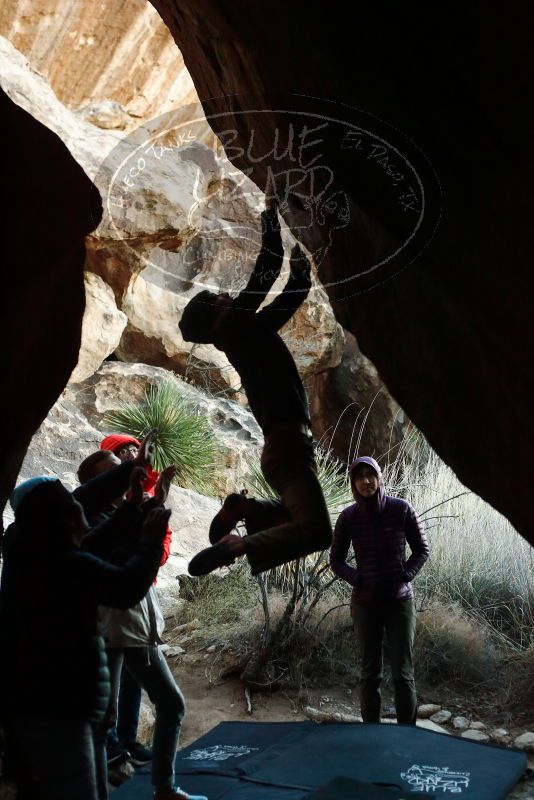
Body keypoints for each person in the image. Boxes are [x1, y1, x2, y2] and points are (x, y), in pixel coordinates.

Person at [180, 199, 332, 577]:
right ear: (216, 313)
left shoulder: (247, 334)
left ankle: (247, 511)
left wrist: (301, 271)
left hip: (286, 447)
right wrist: (270, 210)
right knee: (317, 532)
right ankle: (239, 543)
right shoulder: (234, 326)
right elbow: (267, 267)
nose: (226, 295)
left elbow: (290, 297)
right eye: (218, 297)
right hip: (288, 447)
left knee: (302, 520)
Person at [0, 472, 170, 800]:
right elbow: (124, 587)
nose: (81, 505)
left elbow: (94, 544)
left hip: (40, 705)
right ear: (62, 519)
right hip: (57, 710)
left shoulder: (34, 552)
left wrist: (135, 505)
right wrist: (150, 537)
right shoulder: (63, 564)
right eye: (72, 503)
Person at [79, 451, 194, 800]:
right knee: (102, 725)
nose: (132, 476)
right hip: (110, 632)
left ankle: (164, 788)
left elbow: (149, 562)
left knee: (170, 704)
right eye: (116, 473)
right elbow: (122, 564)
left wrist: (153, 504)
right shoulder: (92, 522)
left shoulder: (123, 513)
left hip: (137, 628)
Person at [329, 456, 429, 725]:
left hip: (400, 603)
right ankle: (370, 734)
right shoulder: (348, 517)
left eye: (370, 475)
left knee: (402, 674)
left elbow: (422, 549)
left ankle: (406, 733)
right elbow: (335, 560)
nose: (366, 481)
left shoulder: (401, 509)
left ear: (380, 477)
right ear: (353, 483)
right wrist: (357, 579)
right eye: (359, 476)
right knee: (370, 673)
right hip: (365, 604)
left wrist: (406, 574)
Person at [96, 433, 173, 768]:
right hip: (114, 611)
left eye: (132, 449)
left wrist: (156, 555)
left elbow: (162, 535)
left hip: (142, 591)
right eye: (121, 452)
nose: (130, 454)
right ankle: (109, 749)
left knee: (132, 682)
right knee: (110, 688)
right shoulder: (103, 510)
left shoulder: (145, 495)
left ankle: (125, 741)